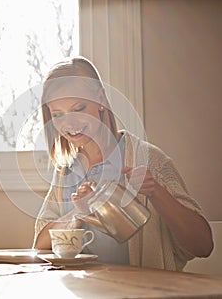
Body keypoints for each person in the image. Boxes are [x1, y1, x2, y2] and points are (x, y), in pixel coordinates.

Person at [32, 56, 213, 271]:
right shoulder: (66, 170)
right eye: (58, 114)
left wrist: (156, 192)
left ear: (101, 100)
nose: (69, 123)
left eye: (78, 108)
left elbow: (203, 245)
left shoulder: (148, 159)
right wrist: (78, 212)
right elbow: (40, 245)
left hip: (141, 291)